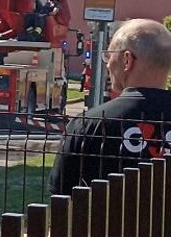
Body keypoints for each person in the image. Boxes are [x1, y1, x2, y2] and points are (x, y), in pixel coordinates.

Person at [49, 18, 171, 194]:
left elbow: (61, 196)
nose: (107, 63)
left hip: (105, 221)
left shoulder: (89, 124)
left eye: (110, 54)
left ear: (127, 60)